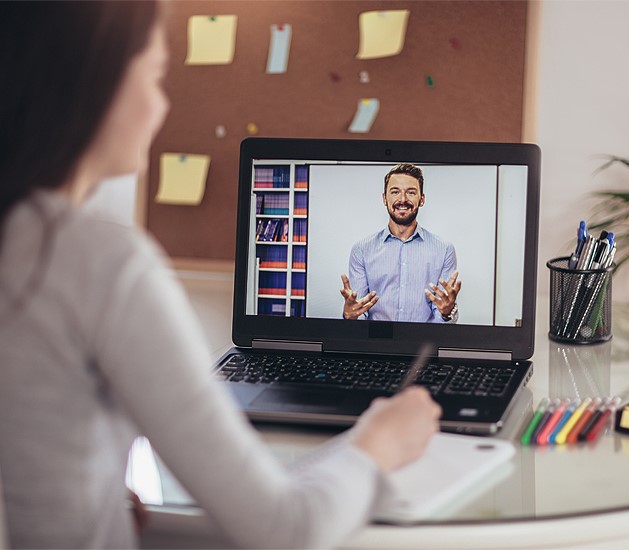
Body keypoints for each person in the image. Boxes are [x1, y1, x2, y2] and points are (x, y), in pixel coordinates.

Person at [0, 3, 441, 549]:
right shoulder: (99, 262)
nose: (163, 105)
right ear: (97, 79)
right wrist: (377, 443)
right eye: (158, 75)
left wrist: (89, 493)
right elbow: (287, 529)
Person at [341, 163, 462, 323]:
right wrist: (350, 315)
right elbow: (358, 310)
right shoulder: (362, 250)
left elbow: (441, 311)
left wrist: (447, 313)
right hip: (375, 344)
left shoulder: (444, 250)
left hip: (424, 343)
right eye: (395, 192)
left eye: (411, 192)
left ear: (422, 199)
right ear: (385, 198)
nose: (403, 199)